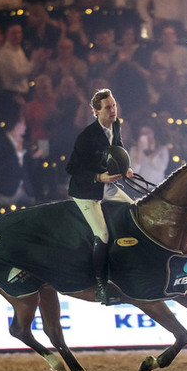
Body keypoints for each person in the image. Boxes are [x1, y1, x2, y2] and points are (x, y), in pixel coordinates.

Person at [66, 88, 134, 304]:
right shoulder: (86, 137)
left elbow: (118, 148)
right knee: (102, 234)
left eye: (114, 105)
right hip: (86, 191)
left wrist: (125, 166)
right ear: (96, 111)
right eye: (108, 107)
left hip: (107, 186)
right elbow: (72, 168)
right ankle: (100, 285)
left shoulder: (116, 124)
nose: (113, 110)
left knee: (133, 212)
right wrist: (98, 177)